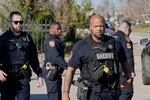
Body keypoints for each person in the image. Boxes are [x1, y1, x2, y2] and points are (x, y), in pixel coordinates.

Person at [62, 14, 133, 100]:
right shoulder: (81, 46)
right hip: (90, 93)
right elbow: (70, 70)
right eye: (96, 26)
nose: (99, 29)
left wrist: (129, 79)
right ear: (90, 27)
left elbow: (124, 61)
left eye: (101, 26)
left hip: (111, 92)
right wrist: (66, 93)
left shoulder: (114, 43)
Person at [0, 11, 43, 100]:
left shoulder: (27, 38)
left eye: (21, 22)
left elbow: (34, 59)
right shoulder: (3, 38)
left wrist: (39, 75)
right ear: (10, 23)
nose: (19, 24)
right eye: (16, 22)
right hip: (7, 79)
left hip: (23, 77)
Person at [43, 21, 68, 100]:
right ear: (52, 29)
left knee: (57, 95)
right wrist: (66, 66)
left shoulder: (56, 39)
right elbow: (55, 56)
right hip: (51, 72)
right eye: (58, 29)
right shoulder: (51, 40)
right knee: (54, 96)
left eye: (60, 29)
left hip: (56, 72)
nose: (60, 31)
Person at [114, 21, 135, 100]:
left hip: (113, 73)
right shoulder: (125, 39)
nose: (130, 33)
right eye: (130, 31)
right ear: (127, 29)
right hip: (123, 73)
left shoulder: (112, 37)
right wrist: (131, 73)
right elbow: (128, 57)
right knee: (127, 93)